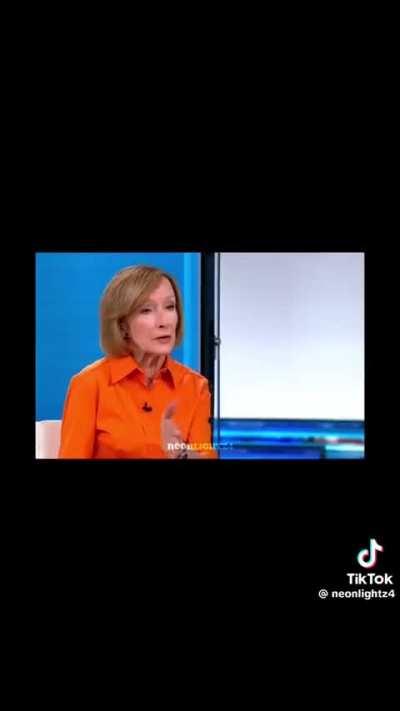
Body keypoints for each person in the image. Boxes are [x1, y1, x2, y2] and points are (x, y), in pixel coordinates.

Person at [58, 265, 218, 459]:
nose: (164, 322)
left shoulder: (195, 387)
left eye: (170, 307)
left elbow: (204, 453)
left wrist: (181, 454)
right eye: (146, 310)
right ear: (122, 325)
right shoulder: (90, 385)